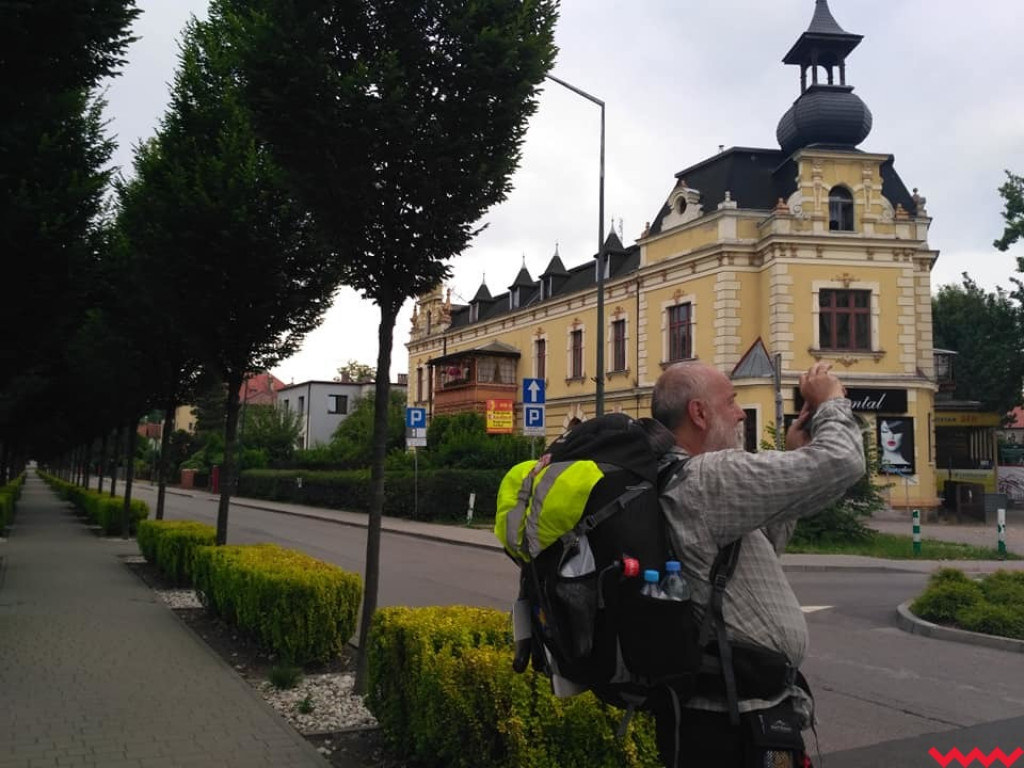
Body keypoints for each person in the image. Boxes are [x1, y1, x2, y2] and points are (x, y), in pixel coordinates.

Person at [650, 361, 865, 768]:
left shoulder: (674, 478)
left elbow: (762, 550)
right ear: (699, 413)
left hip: (720, 714)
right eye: (730, 402)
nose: (740, 413)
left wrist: (798, 453)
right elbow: (843, 461)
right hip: (733, 725)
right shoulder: (707, 477)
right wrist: (833, 401)